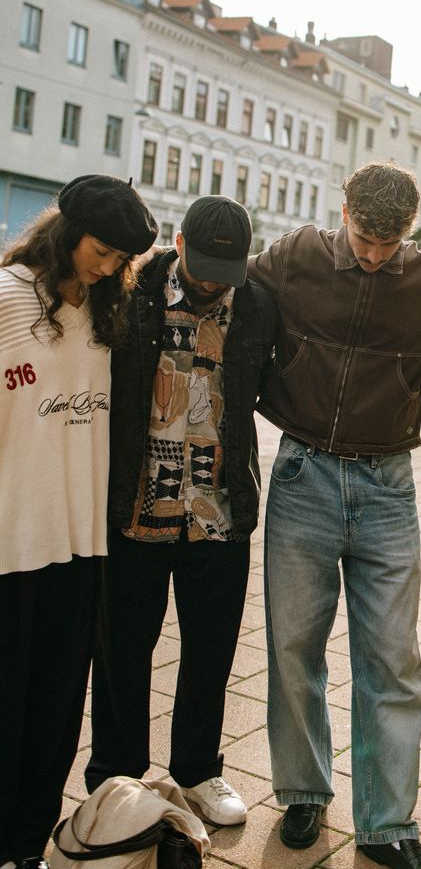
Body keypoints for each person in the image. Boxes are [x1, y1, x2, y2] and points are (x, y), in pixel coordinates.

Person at [247, 161, 421, 869]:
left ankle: (386, 824)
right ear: (343, 210)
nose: (374, 254)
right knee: (293, 647)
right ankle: (304, 789)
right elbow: (219, 281)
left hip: (388, 486)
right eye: (364, 236)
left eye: (390, 241)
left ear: (412, 228)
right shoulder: (296, 256)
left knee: (391, 660)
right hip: (303, 472)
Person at [85, 195, 278, 828]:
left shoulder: (254, 305)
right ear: (177, 243)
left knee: (211, 649)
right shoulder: (130, 290)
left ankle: (197, 770)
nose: (211, 285)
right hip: (137, 504)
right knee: (122, 649)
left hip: (217, 511)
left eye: (225, 273)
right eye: (201, 271)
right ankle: (116, 776)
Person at [0, 175, 158, 869]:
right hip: (12, 539)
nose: (107, 265)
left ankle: (26, 844)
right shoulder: (5, 298)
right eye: (101, 249)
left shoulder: (106, 312)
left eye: (121, 257)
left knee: (59, 709)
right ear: (66, 232)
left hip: (80, 543)